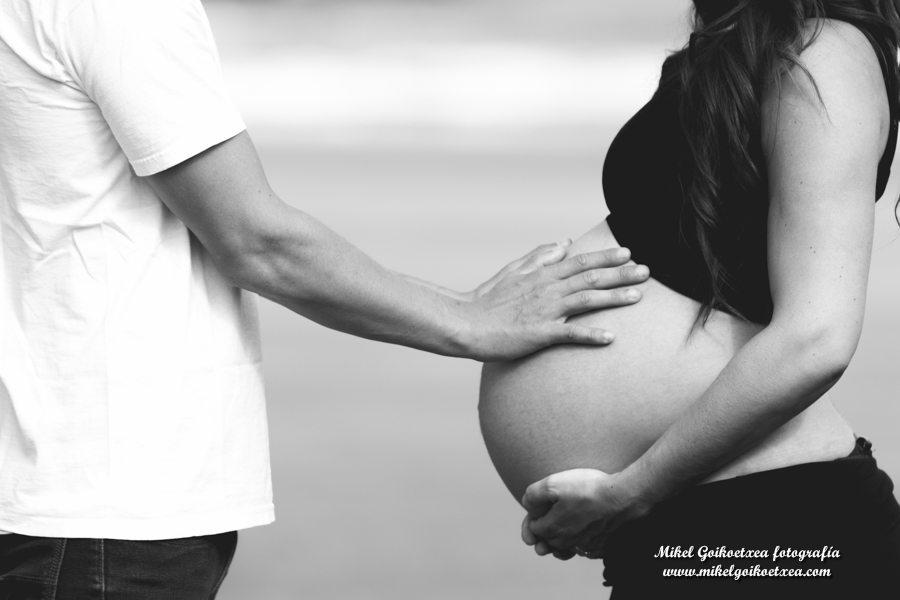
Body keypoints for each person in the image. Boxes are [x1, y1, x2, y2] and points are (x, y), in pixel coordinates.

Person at [0, 0, 653, 597]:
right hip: (105, 500)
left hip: (62, 488)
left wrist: (466, 304)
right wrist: (467, 319)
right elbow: (256, 242)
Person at [478, 0, 900, 597]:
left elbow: (817, 339)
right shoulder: (736, 51)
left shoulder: (823, 51)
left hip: (773, 528)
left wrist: (631, 491)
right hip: (703, 520)